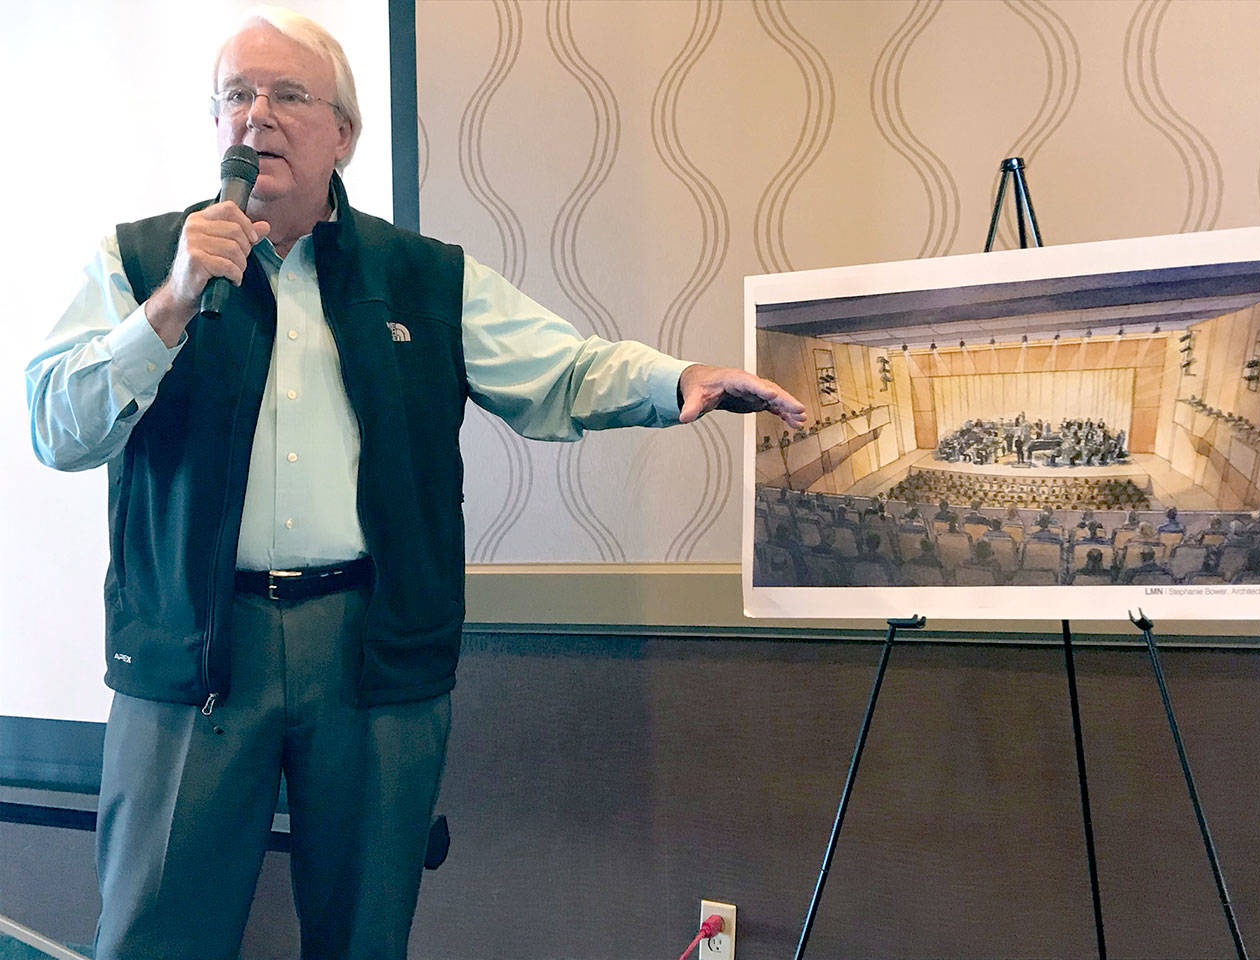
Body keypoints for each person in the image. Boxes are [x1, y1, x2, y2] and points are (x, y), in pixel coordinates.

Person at [23, 9, 805, 960]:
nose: (254, 117)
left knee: (364, 931)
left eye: (286, 96)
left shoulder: (422, 276)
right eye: (235, 95)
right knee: (152, 931)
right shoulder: (142, 261)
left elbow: (557, 368)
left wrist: (670, 381)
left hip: (365, 643)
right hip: (192, 649)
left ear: (343, 134)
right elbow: (56, 428)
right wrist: (173, 303)